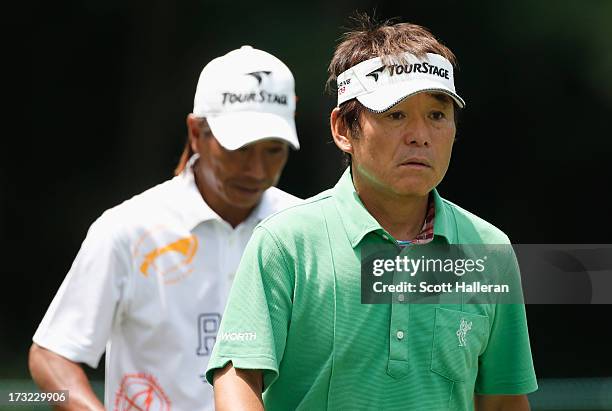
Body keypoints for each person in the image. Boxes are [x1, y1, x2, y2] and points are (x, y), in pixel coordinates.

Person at [206, 17, 538, 411]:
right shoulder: (285, 243)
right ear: (343, 129)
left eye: (437, 114)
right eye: (395, 115)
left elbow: (502, 402)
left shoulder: (489, 251)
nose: (420, 135)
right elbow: (237, 379)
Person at [29, 45, 301, 411]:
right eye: (239, 148)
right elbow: (51, 355)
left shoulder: (303, 229)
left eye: (273, 149)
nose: (256, 169)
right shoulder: (127, 229)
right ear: (195, 132)